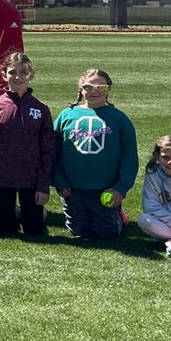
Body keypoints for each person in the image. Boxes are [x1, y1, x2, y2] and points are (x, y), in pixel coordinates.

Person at [52, 68, 138, 240]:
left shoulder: (119, 118)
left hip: (106, 189)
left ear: (108, 90)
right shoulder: (67, 115)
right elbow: (52, 151)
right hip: (72, 189)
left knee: (106, 234)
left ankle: (118, 215)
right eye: (89, 87)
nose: (95, 92)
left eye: (101, 88)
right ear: (80, 88)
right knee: (78, 233)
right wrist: (58, 180)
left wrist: (120, 188)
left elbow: (129, 157)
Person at [0, 51, 56, 236]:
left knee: (34, 230)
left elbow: (48, 149)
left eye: (23, 72)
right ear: (4, 74)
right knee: (6, 230)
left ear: (31, 75)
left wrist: (43, 186)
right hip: (2, 180)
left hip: (31, 180)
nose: (17, 77)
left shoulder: (41, 108)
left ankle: (33, 213)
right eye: (12, 72)